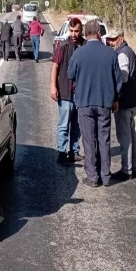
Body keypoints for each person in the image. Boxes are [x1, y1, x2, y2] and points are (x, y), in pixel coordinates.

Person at [68, 20, 122, 187]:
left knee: (89, 140)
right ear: (99, 32)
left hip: (85, 102)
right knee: (104, 139)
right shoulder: (111, 53)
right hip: (104, 102)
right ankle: (106, 176)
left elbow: (70, 74)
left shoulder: (79, 53)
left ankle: (93, 177)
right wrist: (115, 99)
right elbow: (118, 80)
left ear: (85, 33)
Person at [104, 28, 136, 180]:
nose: (110, 42)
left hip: (125, 101)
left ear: (121, 38)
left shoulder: (122, 54)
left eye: (114, 39)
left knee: (124, 136)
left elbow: (124, 77)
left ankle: (127, 170)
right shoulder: (127, 51)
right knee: (132, 135)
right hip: (132, 100)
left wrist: (112, 81)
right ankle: (135, 167)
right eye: (110, 39)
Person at [50, 18, 84, 165]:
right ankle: (61, 152)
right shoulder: (62, 46)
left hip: (81, 93)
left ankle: (74, 151)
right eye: (71, 31)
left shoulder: (85, 46)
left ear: (81, 30)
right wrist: (53, 86)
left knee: (77, 125)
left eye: (76, 31)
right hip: (64, 91)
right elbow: (55, 67)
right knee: (64, 124)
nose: (74, 34)